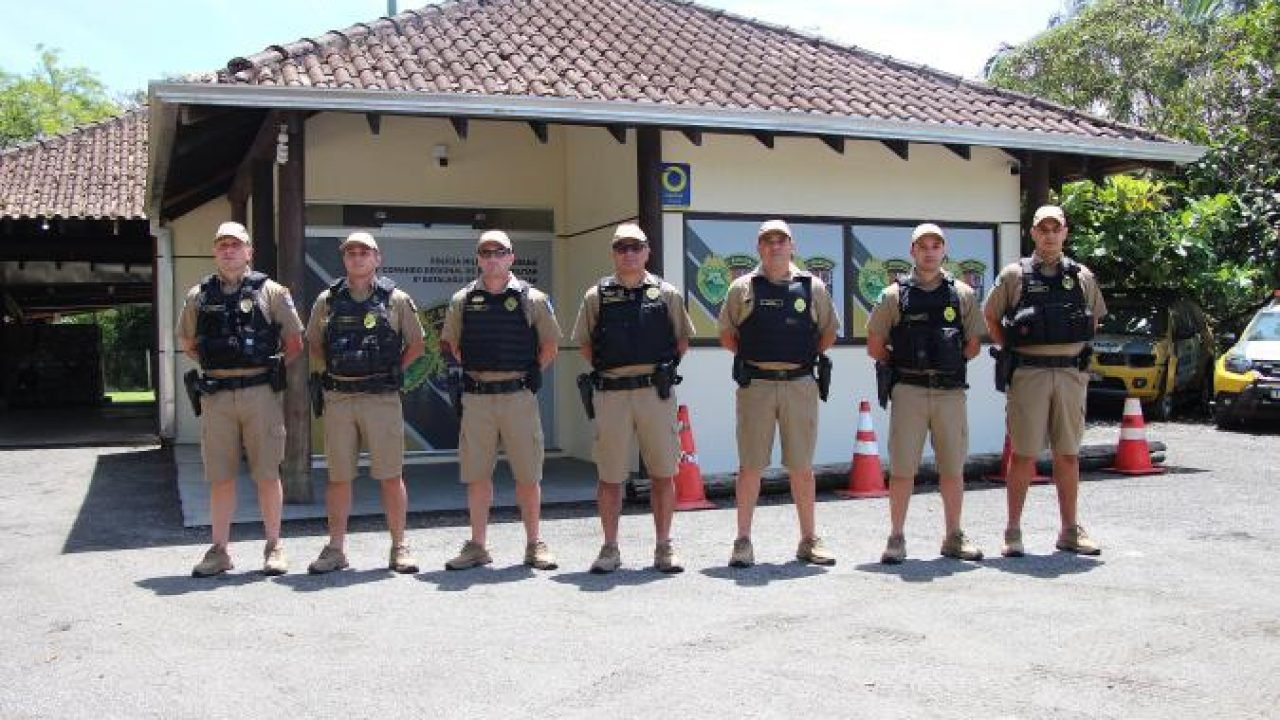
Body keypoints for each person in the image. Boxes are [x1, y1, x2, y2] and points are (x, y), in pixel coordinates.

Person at [177, 221, 304, 577]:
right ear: (215, 252)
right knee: (220, 476)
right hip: (217, 397)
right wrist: (223, 364)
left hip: (260, 394)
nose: (229, 250)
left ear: (249, 251)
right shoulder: (197, 296)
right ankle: (219, 550)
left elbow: (294, 343)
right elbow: (188, 343)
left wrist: (261, 367)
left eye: (236, 244)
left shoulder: (273, 292)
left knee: (267, 473)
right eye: (222, 245)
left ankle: (274, 546)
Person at [571, 222, 696, 574]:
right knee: (610, 475)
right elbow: (584, 343)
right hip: (612, 393)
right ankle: (610, 548)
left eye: (635, 247)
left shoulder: (666, 293)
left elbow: (681, 339)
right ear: (614, 253)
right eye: (621, 248)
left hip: (654, 393)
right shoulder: (596, 295)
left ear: (646, 251)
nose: (628, 253)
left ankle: (664, 546)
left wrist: (661, 370)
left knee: (662, 471)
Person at [983, 205, 1107, 557]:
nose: (1050, 235)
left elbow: (1093, 320)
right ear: (1033, 233)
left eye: (1056, 228)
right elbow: (990, 316)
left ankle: (1070, 529)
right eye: (1043, 229)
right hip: (1030, 373)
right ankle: (1013, 531)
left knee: (1068, 454)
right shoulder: (1014, 275)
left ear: (1065, 232)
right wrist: (1010, 350)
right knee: (1023, 454)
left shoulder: (1082, 276)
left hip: (1070, 374)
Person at [718, 219, 839, 567]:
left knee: (801, 466)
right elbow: (728, 336)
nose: (775, 246)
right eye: (767, 241)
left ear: (792, 245)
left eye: (781, 240)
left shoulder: (812, 286)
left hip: (799, 384)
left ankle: (808, 540)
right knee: (750, 466)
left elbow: (827, 333)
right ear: (759, 247)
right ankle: (743, 541)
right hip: (756, 385)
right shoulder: (742, 287)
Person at [439, 230, 562, 571]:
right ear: (478, 258)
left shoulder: (532, 299)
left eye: (499, 252)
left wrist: (532, 371)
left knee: (528, 475)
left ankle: (534, 544)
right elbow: (450, 345)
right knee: (477, 476)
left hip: (517, 397)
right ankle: (477, 546)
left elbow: (550, 344)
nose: (492, 258)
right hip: (477, 398)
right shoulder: (462, 300)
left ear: (511, 257)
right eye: (485, 252)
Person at [305, 231, 426, 574]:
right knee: (339, 477)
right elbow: (314, 343)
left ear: (377, 258)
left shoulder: (396, 299)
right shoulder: (326, 301)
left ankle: (399, 547)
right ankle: (335, 549)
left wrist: (390, 370)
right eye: (350, 252)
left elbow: (416, 344)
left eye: (364, 252)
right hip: (340, 398)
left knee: (390, 475)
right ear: (344, 259)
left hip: (381, 398)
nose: (357, 257)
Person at [866, 223, 984, 564]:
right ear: (912, 251)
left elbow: (974, 345)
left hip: (949, 392)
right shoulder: (893, 295)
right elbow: (875, 346)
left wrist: (945, 361)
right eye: (923, 246)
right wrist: (906, 363)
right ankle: (897, 537)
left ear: (944, 250)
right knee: (903, 469)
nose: (929, 251)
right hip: (909, 392)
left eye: (936, 245)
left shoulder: (961, 294)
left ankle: (954, 536)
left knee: (953, 468)